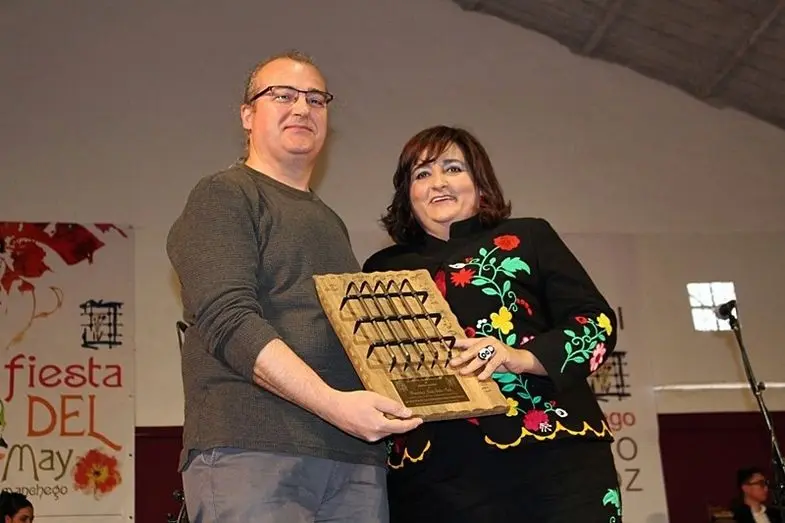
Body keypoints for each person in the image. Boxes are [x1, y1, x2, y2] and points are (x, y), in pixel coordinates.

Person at [166, 50, 421, 523]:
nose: (302, 108)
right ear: (247, 115)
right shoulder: (223, 195)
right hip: (255, 448)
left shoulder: (330, 221)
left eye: (315, 99)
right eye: (282, 95)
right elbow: (229, 320)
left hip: (354, 457)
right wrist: (336, 406)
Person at [362, 125, 622, 523]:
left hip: (552, 458)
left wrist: (520, 357)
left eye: (453, 168)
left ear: (480, 182)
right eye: (422, 173)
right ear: (407, 195)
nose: (438, 182)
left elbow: (596, 322)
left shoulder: (528, 237)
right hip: (432, 474)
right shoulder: (381, 269)